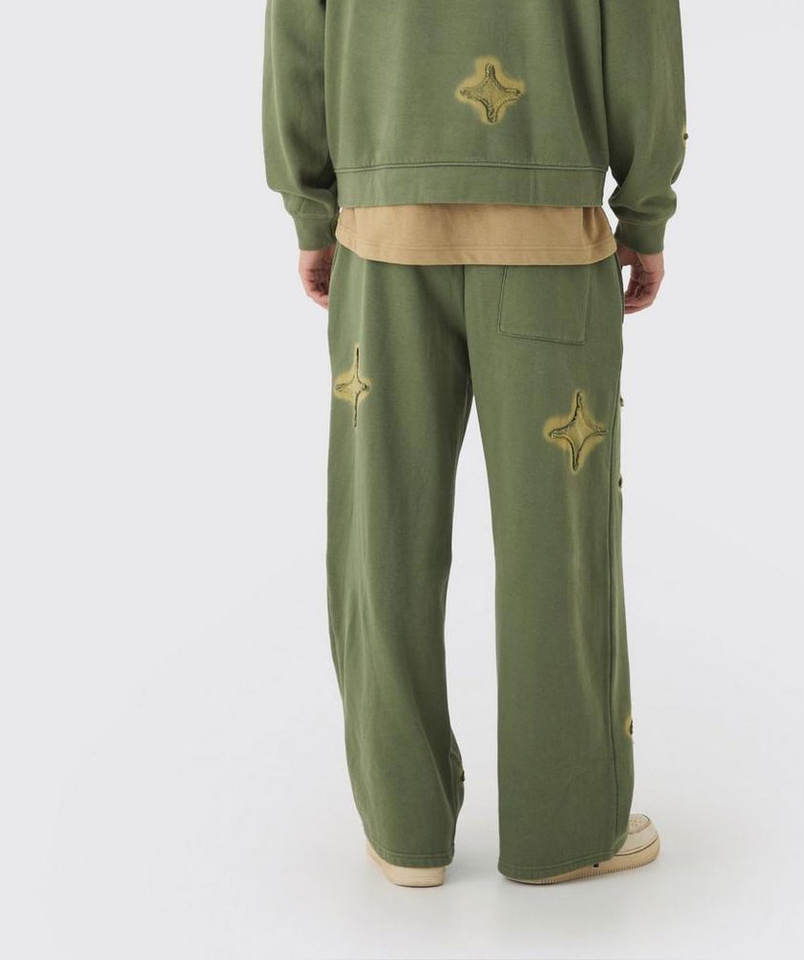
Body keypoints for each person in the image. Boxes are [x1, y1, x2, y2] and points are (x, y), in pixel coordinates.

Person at [263, 0, 686, 887]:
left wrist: (310, 207)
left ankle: (403, 827)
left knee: (381, 535)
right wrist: (645, 213)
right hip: (549, 237)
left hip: (382, 233)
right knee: (557, 546)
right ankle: (566, 830)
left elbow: (297, 33)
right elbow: (641, 35)